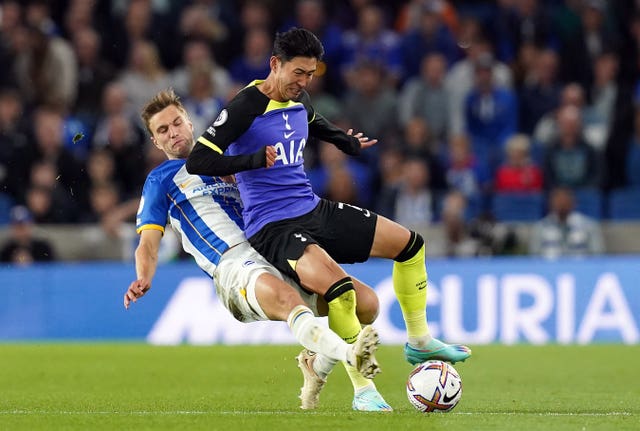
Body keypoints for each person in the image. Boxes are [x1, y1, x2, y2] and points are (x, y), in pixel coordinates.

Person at [186, 27, 471, 411]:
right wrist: (250, 161)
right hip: (273, 227)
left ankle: (418, 342)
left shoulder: (298, 99)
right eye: (298, 73)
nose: (304, 82)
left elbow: (313, 120)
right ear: (275, 64)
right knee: (342, 292)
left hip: (312, 208)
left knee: (410, 245)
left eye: (311, 74)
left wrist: (345, 141)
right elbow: (199, 160)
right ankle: (363, 390)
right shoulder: (245, 106)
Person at [124, 89, 381, 411]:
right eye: (163, 130)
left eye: (177, 123)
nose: (173, 132)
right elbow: (147, 243)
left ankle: (319, 364)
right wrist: (143, 277)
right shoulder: (160, 180)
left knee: (366, 304)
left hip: (273, 245)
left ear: (190, 123)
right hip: (233, 265)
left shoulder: (229, 156)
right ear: (155, 142)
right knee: (288, 301)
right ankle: (350, 357)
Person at [529, 187, 604, 259]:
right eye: (558, 201)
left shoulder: (589, 226)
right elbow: (534, 258)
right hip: (549, 269)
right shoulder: (540, 227)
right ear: (551, 203)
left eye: (565, 200)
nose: (562, 204)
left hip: (581, 269)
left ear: (573, 202)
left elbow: (597, 256)